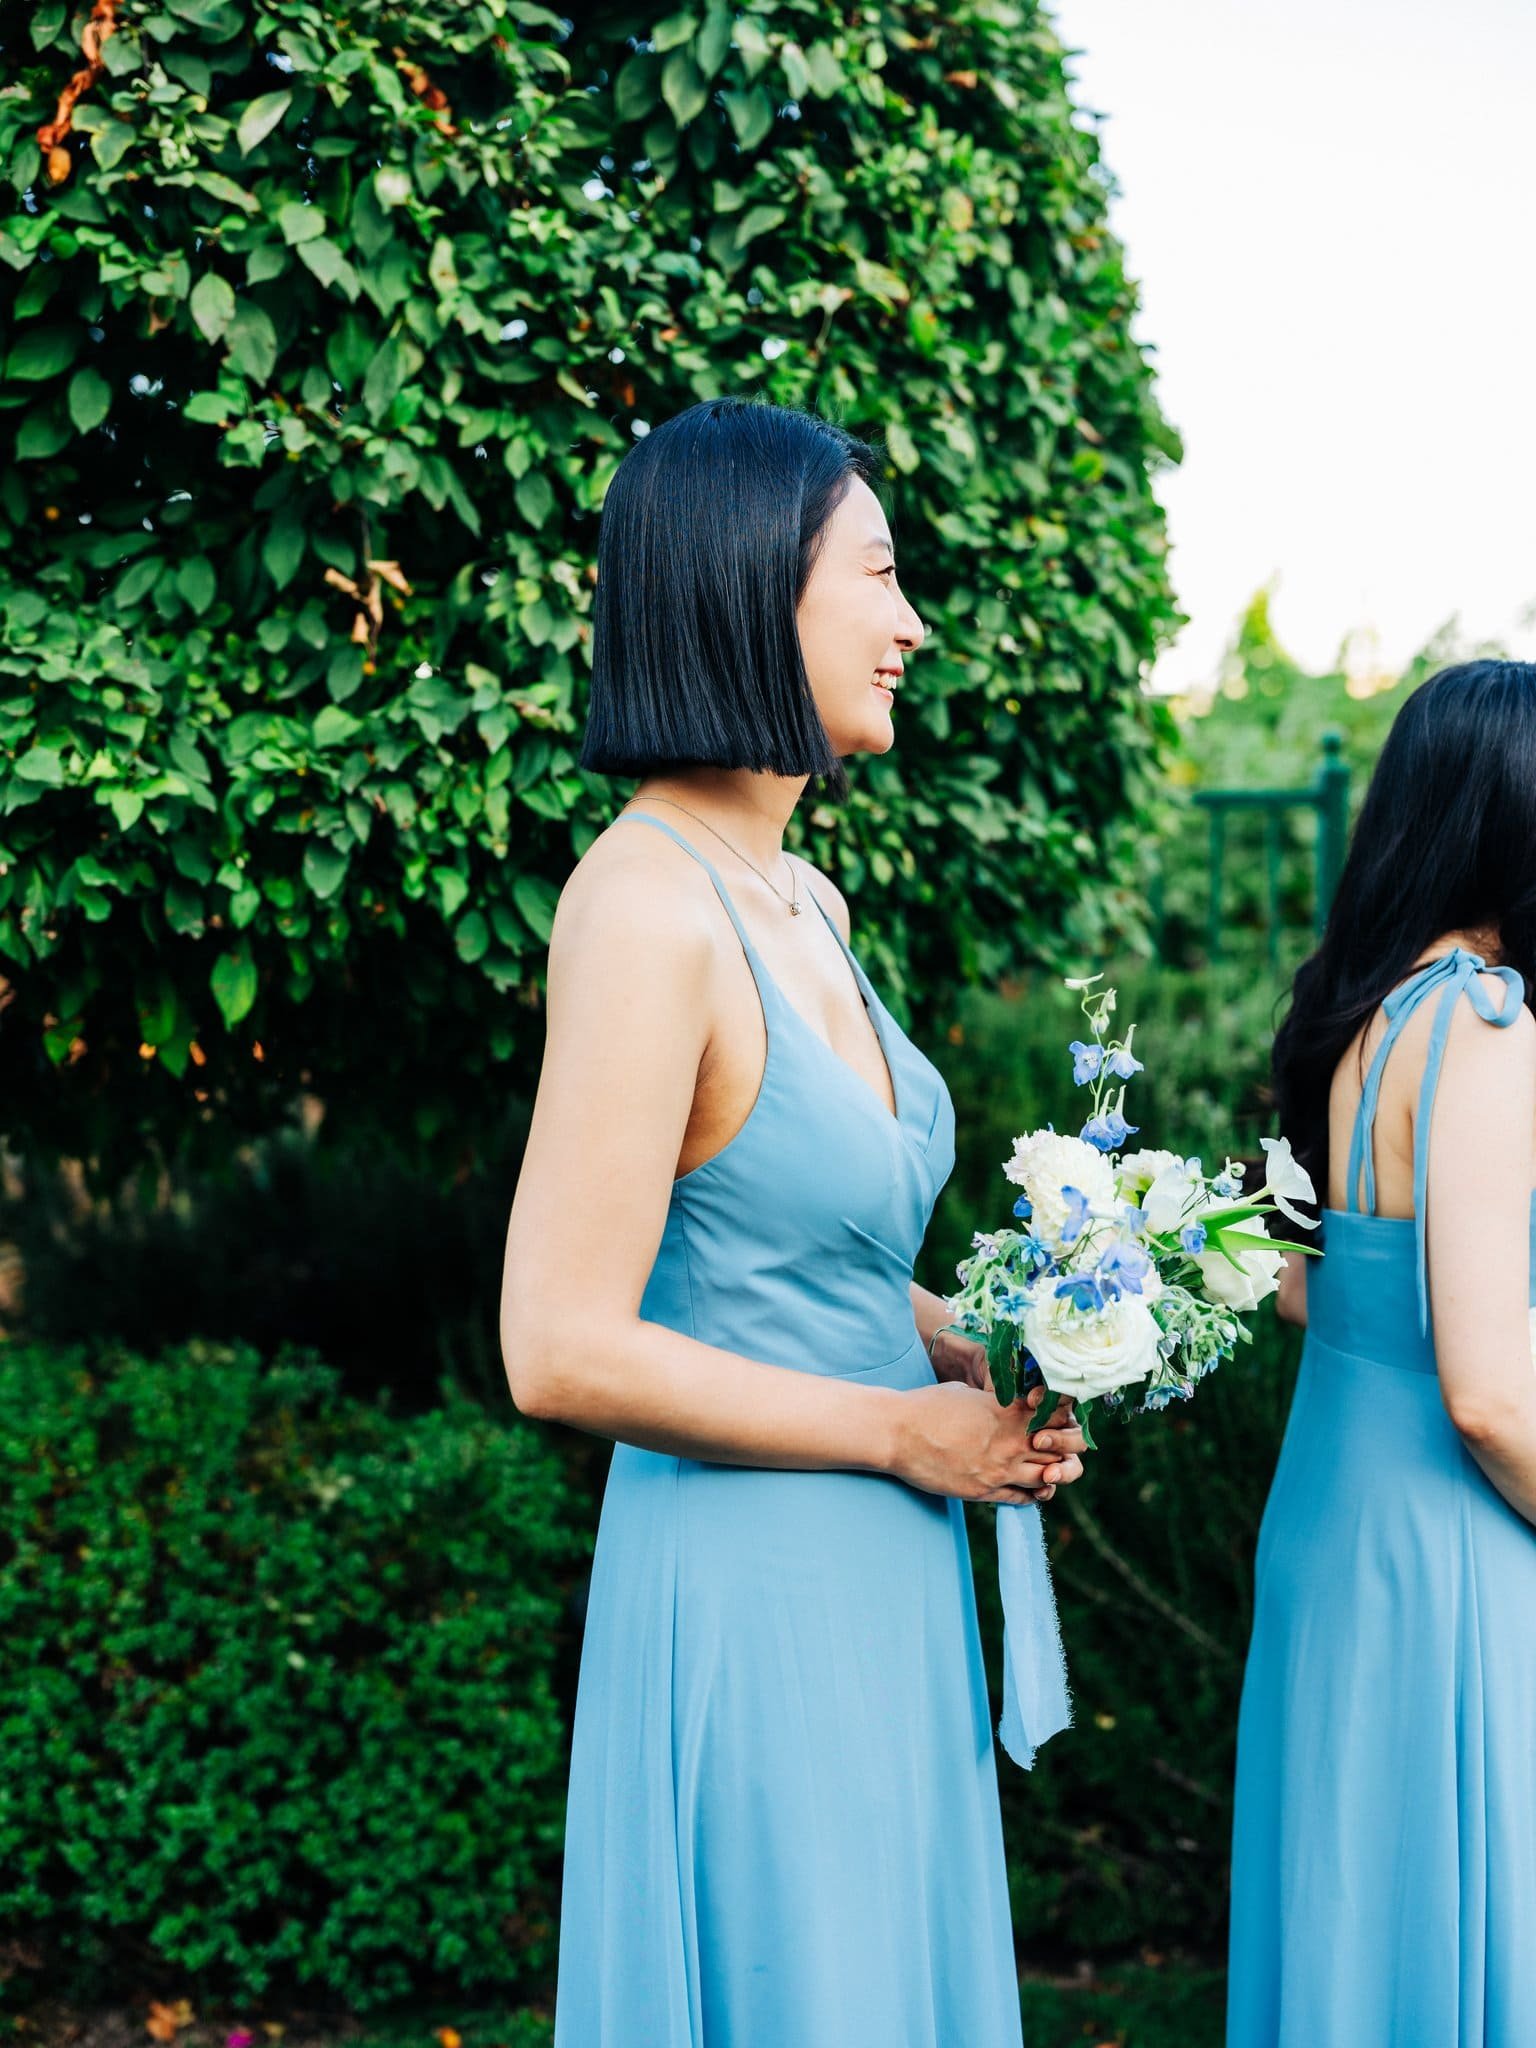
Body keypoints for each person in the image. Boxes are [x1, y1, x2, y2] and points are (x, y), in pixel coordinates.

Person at [499, 397, 1088, 2047]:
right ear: (757, 587)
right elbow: (556, 1343)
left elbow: (783, 1239)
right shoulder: (640, 903)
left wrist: (972, 1340)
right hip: (753, 1586)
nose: (911, 625)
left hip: (884, 1577)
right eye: (880, 576)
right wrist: (904, 1436)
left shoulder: (804, 896)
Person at [1228, 659, 1536, 2047]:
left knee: (1352, 1921)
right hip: (1447, 1548)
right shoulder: (1485, 1025)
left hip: (1330, 1530)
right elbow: (1484, 1389)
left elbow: (1311, 1298)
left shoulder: (1355, 1015)